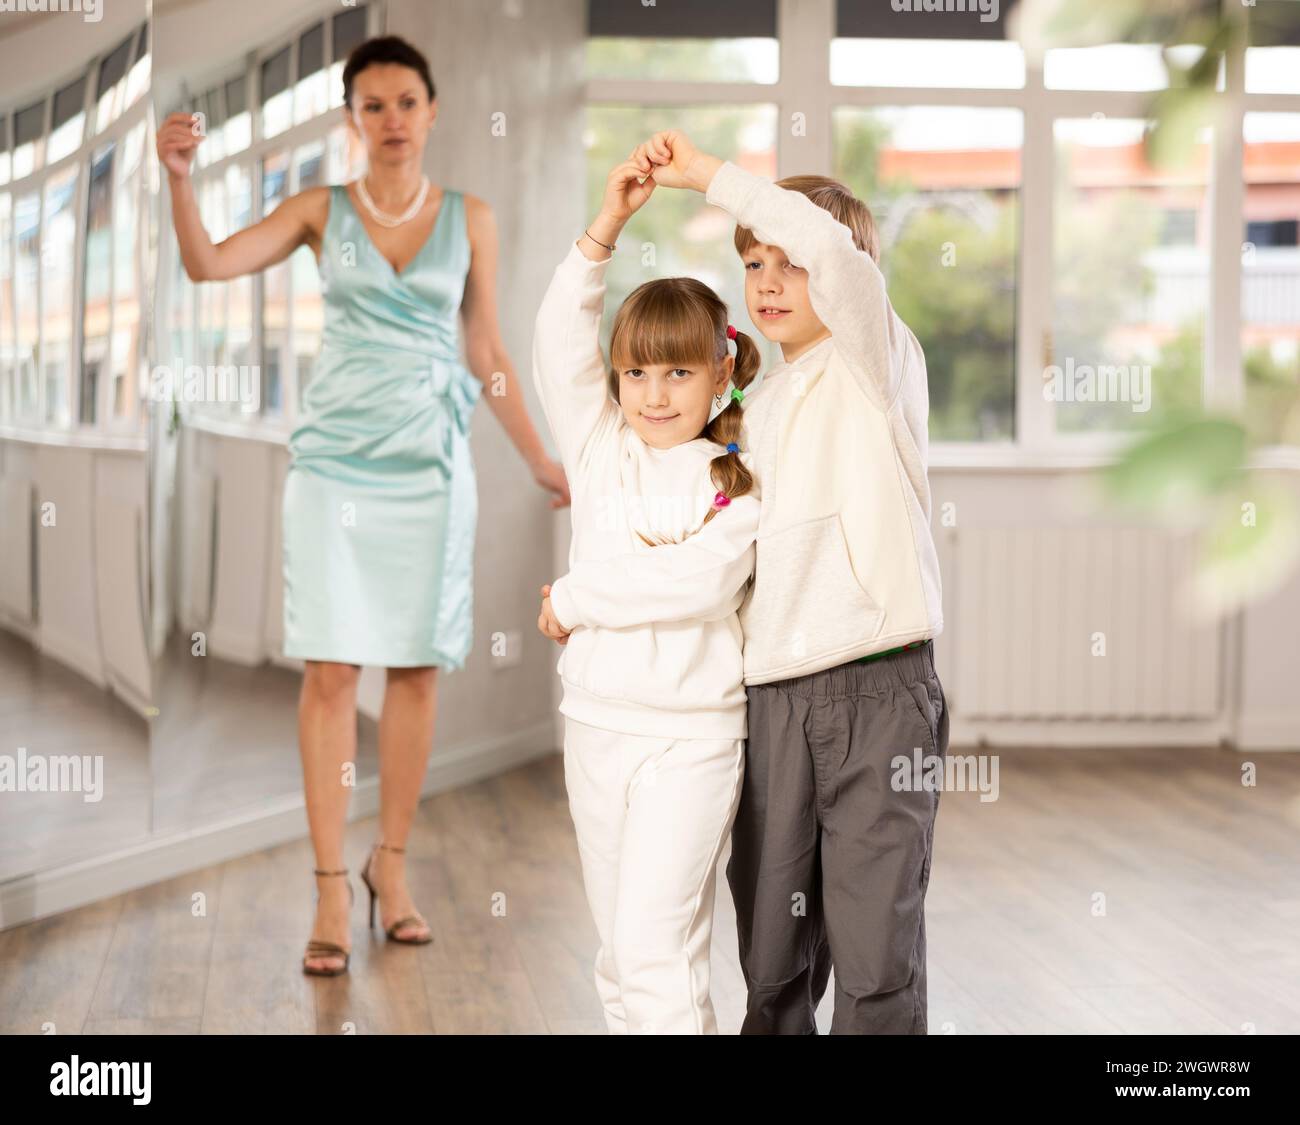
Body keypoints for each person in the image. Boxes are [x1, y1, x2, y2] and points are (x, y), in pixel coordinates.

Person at [156, 35, 568, 977]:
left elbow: (486, 355)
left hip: (429, 466)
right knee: (333, 671)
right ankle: (333, 883)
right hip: (336, 466)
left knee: (417, 669)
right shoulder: (318, 210)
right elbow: (210, 267)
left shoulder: (474, 217)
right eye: (372, 105)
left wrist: (543, 458)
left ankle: (393, 866)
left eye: (405, 103)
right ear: (352, 117)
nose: (390, 121)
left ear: (432, 111)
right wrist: (181, 179)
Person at [569, 130, 949, 1034]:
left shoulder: (876, 365)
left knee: (873, 952)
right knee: (770, 961)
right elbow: (705, 553)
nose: (771, 281)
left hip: (877, 690)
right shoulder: (743, 413)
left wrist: (707, 178)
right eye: (753, 263)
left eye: (792, 263)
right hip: (771, 702)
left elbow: (832, 253)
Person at [532, 151, 761, 1033]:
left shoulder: (738, 479)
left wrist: (578, 597)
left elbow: (698, 584)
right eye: (636, 373)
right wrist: (606, 226)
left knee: (657, 947)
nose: (654, 394)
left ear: (720, 374)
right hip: (596, 724)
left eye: (678, 373)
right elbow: (559, 336)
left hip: (692, 740)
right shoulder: (599, 451)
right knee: (621, 956)